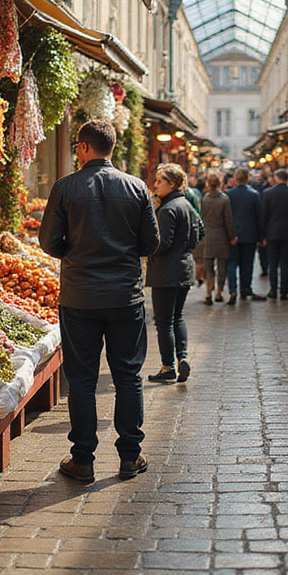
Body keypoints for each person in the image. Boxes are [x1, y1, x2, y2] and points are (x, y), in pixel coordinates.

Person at [39, 118, 161, 483]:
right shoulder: (136, 187)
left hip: (80, 295)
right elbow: (151, 243)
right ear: (112, 147)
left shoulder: (65, 187)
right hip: (125, 295)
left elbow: (49, 242)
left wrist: (76, 252)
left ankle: (83, 460)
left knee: (81, 380)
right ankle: (130, 456)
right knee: (128, 377)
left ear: (83, 147)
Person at [145, 163, 202, 383]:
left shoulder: (168, 209)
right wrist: (185, 248)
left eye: (160, 181)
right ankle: (183, 358)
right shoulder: (186, 204)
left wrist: (147, 250)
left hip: (166, 272)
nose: (155, 185)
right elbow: (200, 231)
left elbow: (163, 242)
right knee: (177, 317)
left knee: (164, 322)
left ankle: (168, 366)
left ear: (172, 184)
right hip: (184, 268)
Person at [193, 170, 237, 305]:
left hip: (208, 236)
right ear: (220, 184)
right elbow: (228, 220)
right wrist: (232, 236)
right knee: (222, 267)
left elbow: (201, 217)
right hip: (221, 235)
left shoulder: (205, 199)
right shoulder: (224, 199)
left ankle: (208, 292)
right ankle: (219, 292)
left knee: (208, 266)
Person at [260, 168, 288, 300]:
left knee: (272, 263)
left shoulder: (268, 193)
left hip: (271, 233)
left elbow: (264, 215)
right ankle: (284, 290)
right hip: (287, 233)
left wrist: (262, 235)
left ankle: (273, 290)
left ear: (276, 178)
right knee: (285, 263)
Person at [225, 167, 264, 303]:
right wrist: (261, 237)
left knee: (232, 263)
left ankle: (232, 289)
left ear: (235, 179)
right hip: (249, 235)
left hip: (233, 235)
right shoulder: (254, 195)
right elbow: (259, 217)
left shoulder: (228, 194)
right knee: (247, 264)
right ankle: (245, 288)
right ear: (247, 179)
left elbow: (226, 216)